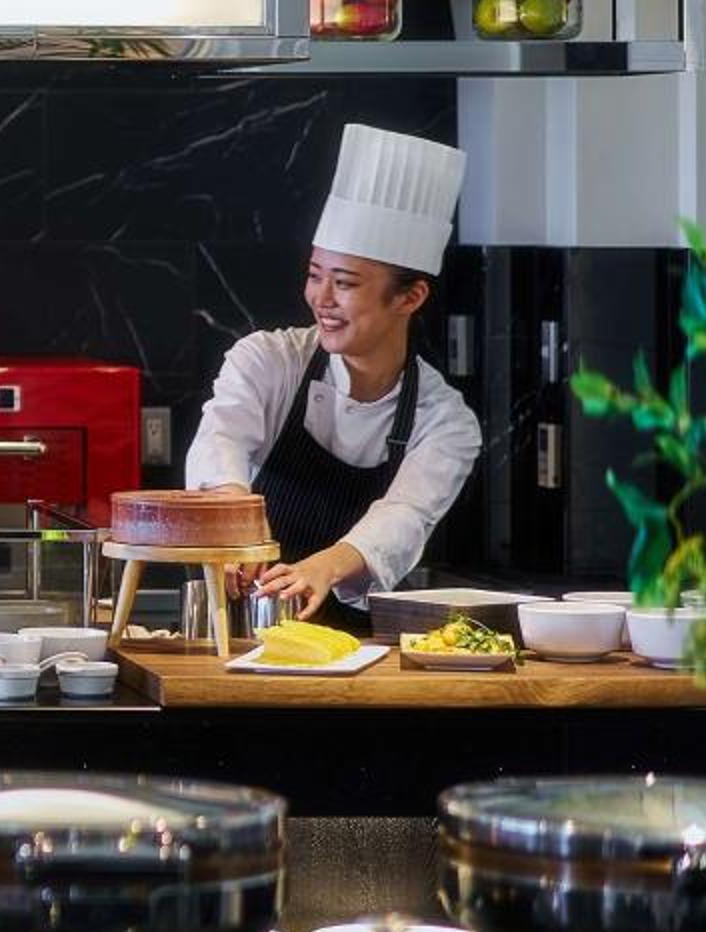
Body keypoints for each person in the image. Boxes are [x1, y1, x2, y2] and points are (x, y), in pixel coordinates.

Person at [186, 123, 483, 629]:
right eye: (314, 275)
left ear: (410, 297)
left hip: (359, 645)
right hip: (237, 624)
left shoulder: (446, 421)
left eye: (344, 283)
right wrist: (235, 521)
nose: (320, 298)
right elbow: (221, 438)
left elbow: (406, 516)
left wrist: (321, 568)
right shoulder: (268, 360)